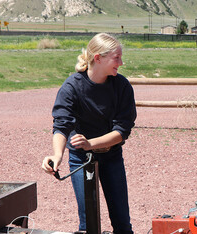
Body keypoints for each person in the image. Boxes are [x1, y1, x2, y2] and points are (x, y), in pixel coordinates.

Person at [42, 33, 136, 234]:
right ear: (98, 58)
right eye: (116, 58)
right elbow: (61, 124)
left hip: (111, 156)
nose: (121, 62)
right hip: (80, 158)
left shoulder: (121, 86)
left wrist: (91, 143)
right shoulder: (72, 87)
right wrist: (57, 155)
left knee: (122, 222)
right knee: (88, 222)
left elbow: (122, 130)